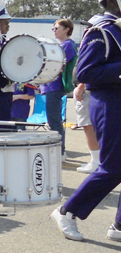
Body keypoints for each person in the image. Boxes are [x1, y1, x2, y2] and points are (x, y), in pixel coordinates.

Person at [51, 0, 121, 242]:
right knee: (113, 167)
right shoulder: (101, 30)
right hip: (109, 102)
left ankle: (119, 226)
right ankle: (67, 211)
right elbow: (85, 72)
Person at [40, 19, 78, 161]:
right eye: (53, 29)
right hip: (52, 87)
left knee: (54, 121)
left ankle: (59, 151)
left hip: (55, 87)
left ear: (67, 29)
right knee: (54, 120)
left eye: (57, 28)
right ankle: (58, 150)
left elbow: (57, 64)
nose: (54, 31)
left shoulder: (67, 45)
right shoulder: (64, 45)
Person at [74, 80, 100, 173]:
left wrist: (81, 85)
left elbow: (89, 72)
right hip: (94, 89)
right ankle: (97, 160)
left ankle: (96, 162)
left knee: (88, 126)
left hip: (88, 89)